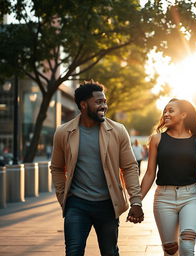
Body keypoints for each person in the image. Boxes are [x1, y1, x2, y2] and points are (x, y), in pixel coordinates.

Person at [50, 80, 144, 256]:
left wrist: (136, 201)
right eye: (99, 102)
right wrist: (64, 197)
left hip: (108, 205)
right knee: (73, 251)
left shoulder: (118, 131)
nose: (104, 106)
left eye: (105, 101)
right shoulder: (63, 132)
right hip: (77, 204)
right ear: (83, 105)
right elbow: (56, 167)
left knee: (110, 252)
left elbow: (130, 167)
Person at [140, 98, 196, 256]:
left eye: (171, 111)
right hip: (163, 198)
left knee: (187, 247)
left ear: (183, 115)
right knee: (170, 251)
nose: (166, 114)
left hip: (191, 197)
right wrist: (136, 201)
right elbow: (149, 173)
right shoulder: (157, 139)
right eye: (165, 111)